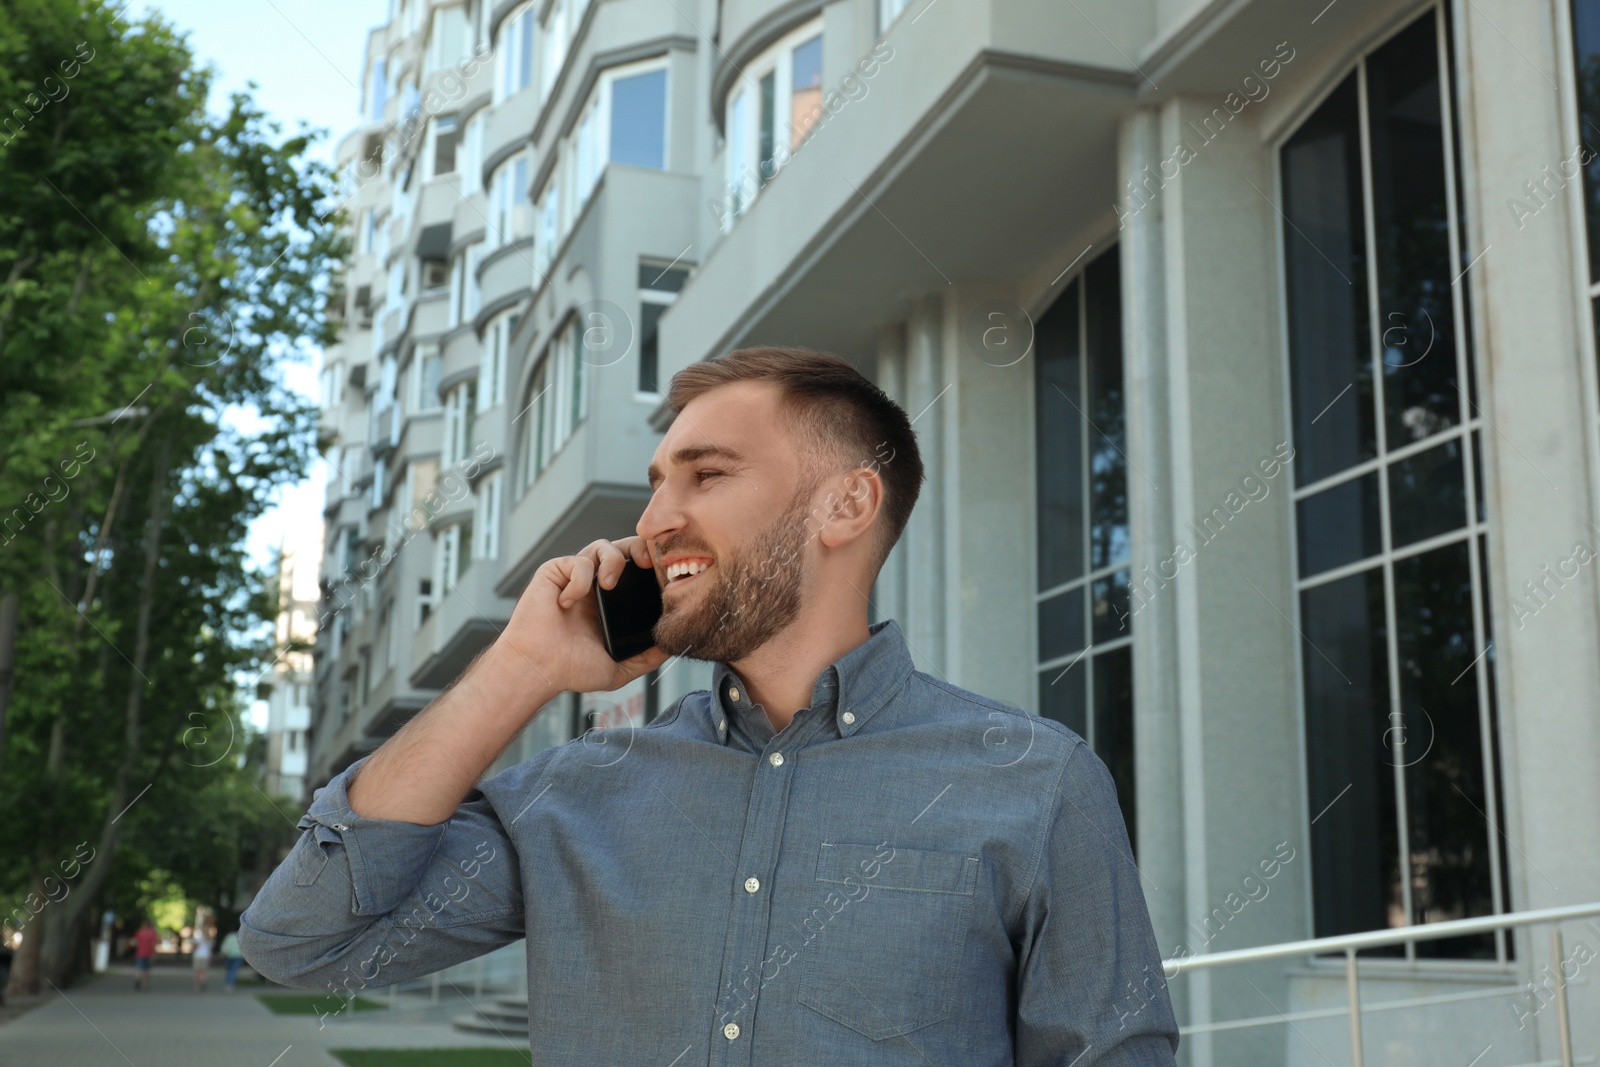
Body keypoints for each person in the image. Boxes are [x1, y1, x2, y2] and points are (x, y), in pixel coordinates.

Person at [239, 347, 1180, 1063]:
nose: (653, 520)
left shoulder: (1035, 781)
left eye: (707, 473)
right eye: (657, 483)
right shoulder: (576, 796)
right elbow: (301, 942)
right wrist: (519, 667)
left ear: (846, 506)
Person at [133, 919, 157, 992]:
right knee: (147, 970)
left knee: (140, 968)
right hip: (148, 953)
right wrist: (154, 953)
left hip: (140, 953)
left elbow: (135, 943)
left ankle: (138, 978)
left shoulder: (139, 932)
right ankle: (145, 985)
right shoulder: (152, 933)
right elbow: (153, 944)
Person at [219, 927, 243, 991]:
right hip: (238, 956)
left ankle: (228, 984)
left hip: (230, 955)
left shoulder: (229, 936)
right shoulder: (241, 936)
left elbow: (225, 946)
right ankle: (230, 984)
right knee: (233, 970)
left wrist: (222, 953)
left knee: (229, 970)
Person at [191, 925, 212, 992]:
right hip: (205, 956)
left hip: (198, 956)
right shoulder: (210, 939)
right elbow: (210, 949)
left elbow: (194, 947)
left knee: (197, 971)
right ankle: (203, 981)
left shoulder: (199, 938)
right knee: (203, 971)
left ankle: (197, 986)